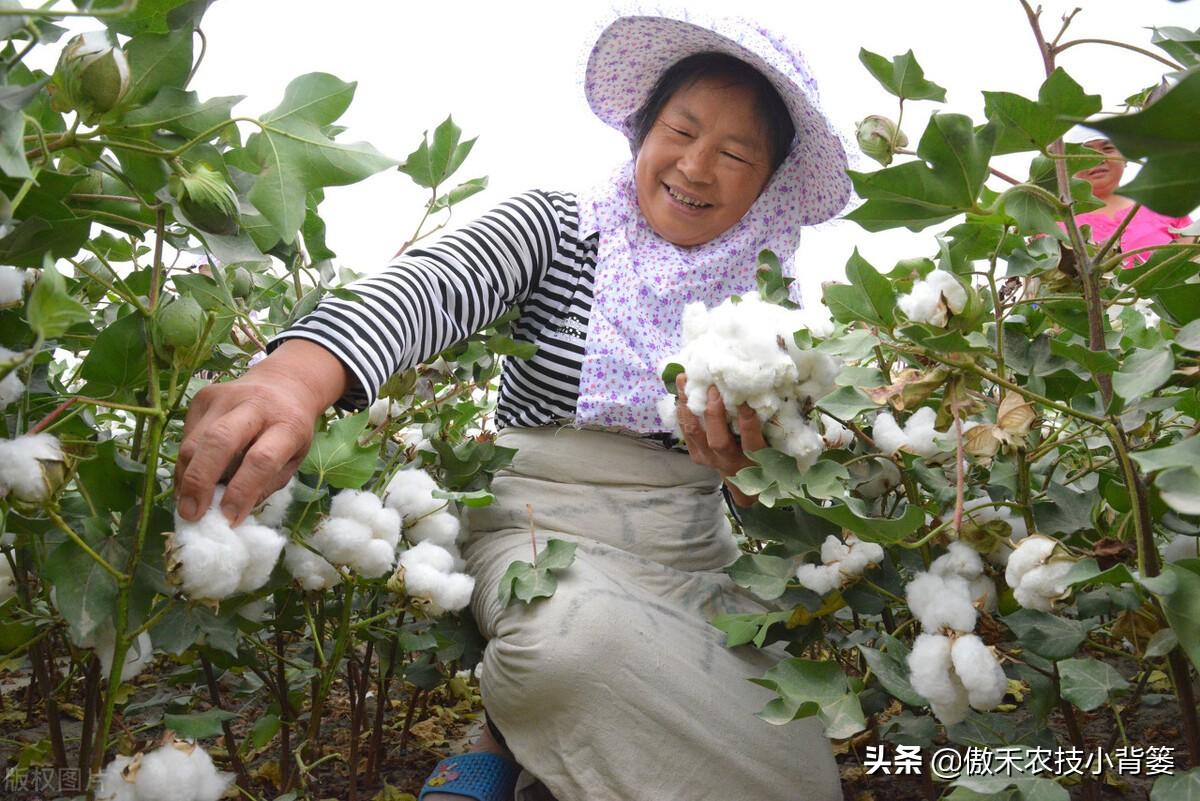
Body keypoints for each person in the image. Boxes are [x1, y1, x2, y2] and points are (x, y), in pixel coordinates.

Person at [174, 10, 851, 801]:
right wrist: (295, 377)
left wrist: (748, 473)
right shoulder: (558, 228)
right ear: (642, 129)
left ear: (768, 182)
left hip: (697, 565)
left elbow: (783, 495)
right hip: (544, 542)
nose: (697, 167)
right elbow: (431, 286)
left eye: (736, 154)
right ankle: (510, 722)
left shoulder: (775, 311)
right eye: (681, 130)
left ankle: (516, 748)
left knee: (792, 764)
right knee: (569, 653)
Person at [1069, 133, 1193, 267]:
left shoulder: (1164, 204)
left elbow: (1194, 261)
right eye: (1086, 152)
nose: (1099, 159)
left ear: (1126, 157)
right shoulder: (1055, 219)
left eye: (1108, 149)